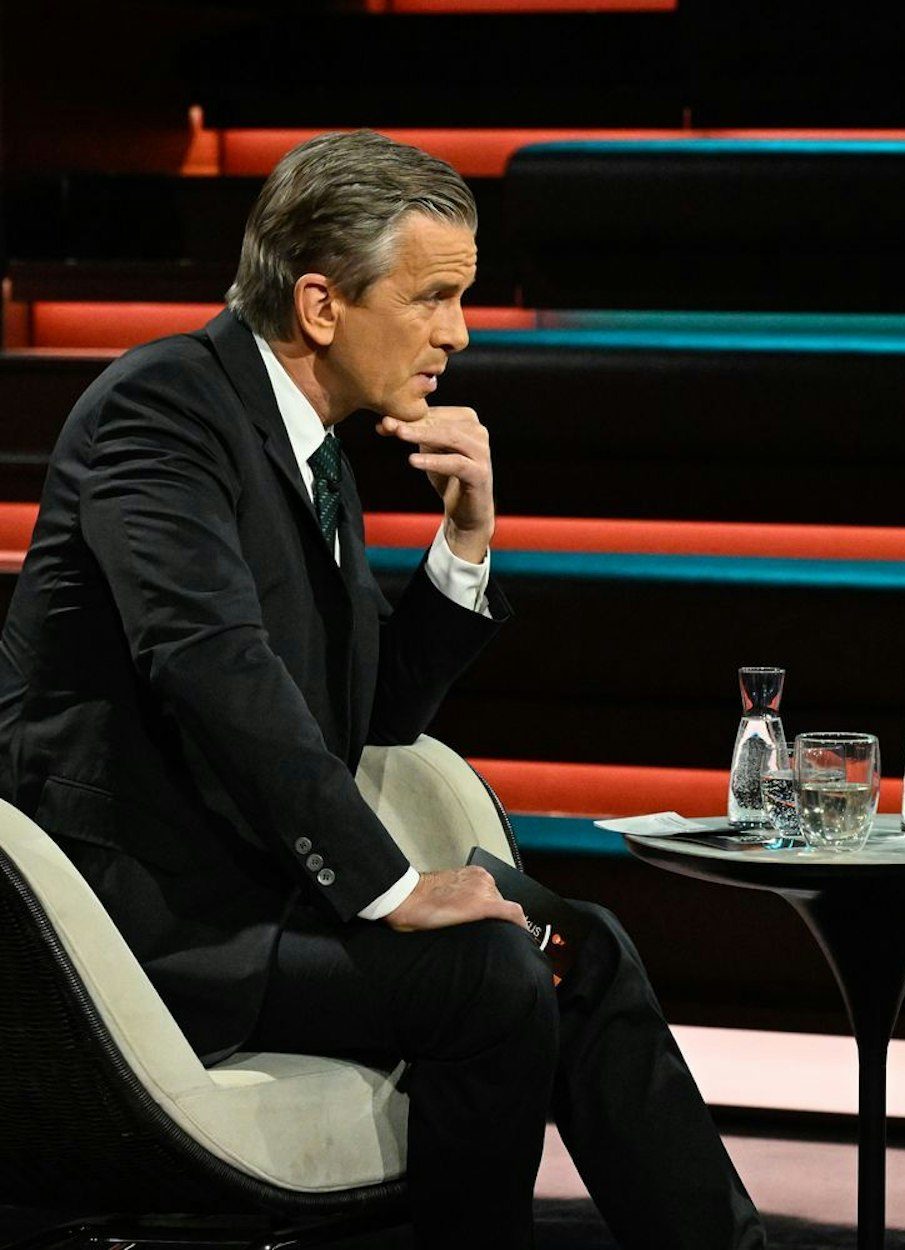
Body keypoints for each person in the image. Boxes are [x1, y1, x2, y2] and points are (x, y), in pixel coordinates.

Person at [0, 130, 764, 1250]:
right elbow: (215, 668)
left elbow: (374, 717)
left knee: (579, 949)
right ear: (320, 303)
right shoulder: (161, 411)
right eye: (433, 297)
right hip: (149, 924)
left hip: (264, 892)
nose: (457, 331)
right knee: (494, 976)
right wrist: (388, 884)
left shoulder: (313, 450)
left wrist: (465, 541)